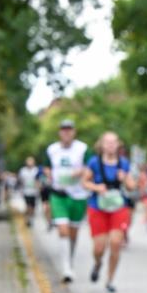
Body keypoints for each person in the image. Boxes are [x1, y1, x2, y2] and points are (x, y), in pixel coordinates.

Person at [82, 132, 135, 293]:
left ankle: (110, 280)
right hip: (98, 207)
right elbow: (84, 182)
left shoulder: (124, 163)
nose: (111, 145)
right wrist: (97, 188)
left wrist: (124, 178)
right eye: (107, 142)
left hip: (119, 207)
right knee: (99, 248)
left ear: (118, 145)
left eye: (113, 142)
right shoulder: (94, 162)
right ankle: (98, 263)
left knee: (115, 243)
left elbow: (132, 186)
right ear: (102, 145)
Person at [45, 119, 90, 283]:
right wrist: (49, 174)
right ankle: (65, 267)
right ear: (59, 132)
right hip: (59, 194)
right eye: (63, 129)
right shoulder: (52, 150)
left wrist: (80, 173)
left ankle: (69, 260)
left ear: (74, 132)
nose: (66, 132)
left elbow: (89, 168)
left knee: (73, 233)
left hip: (77, 195)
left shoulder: (83, 148)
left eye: (69, 129)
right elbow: (47, 167)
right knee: (63, 230)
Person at [18, 156, 40, 226]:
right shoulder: (23, 170)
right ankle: (28, 219)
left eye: (31, 161)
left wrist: (38, 186)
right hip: (26, 191)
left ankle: (31, 218)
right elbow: (20, 180)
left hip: (34, 191)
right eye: (28, 161)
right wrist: (21, 189)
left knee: (33, 207)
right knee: (28, 206)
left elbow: (39, 180)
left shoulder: (36, 170)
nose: (30, 163)